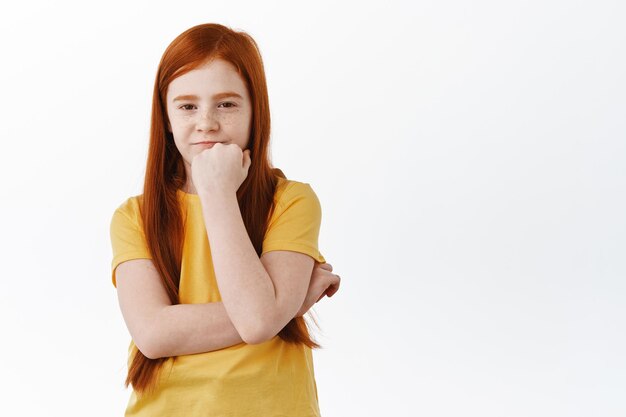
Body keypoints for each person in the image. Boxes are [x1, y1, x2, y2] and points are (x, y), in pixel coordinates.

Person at [109, 23, 341, 417]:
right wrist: (285, 306)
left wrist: (217, 193)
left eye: (227, 104)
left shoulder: (291, 202)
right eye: (187, 106)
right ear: (166, 118)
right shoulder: (134, 216)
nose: (207, 122)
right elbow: (152, 334)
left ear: (256, 111)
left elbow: (257, 322)